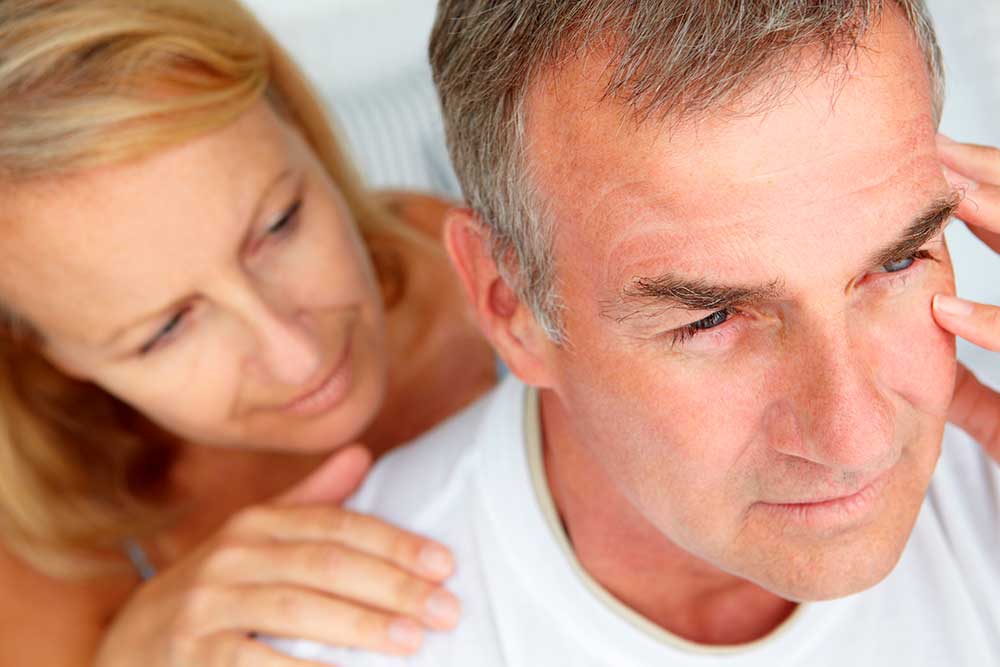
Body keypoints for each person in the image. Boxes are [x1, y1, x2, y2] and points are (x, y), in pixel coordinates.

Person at [276, 0, 1000, 664]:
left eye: (900, 261)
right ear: (510, 304)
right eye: (711, 318)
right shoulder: (326, 646)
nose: (858, 440)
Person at [0, 0, 498, 664]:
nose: (299, 358)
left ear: (299, 125)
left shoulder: (467, 262)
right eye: (167, 329)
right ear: (42, 348)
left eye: (280, 224)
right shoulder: (43, 563)